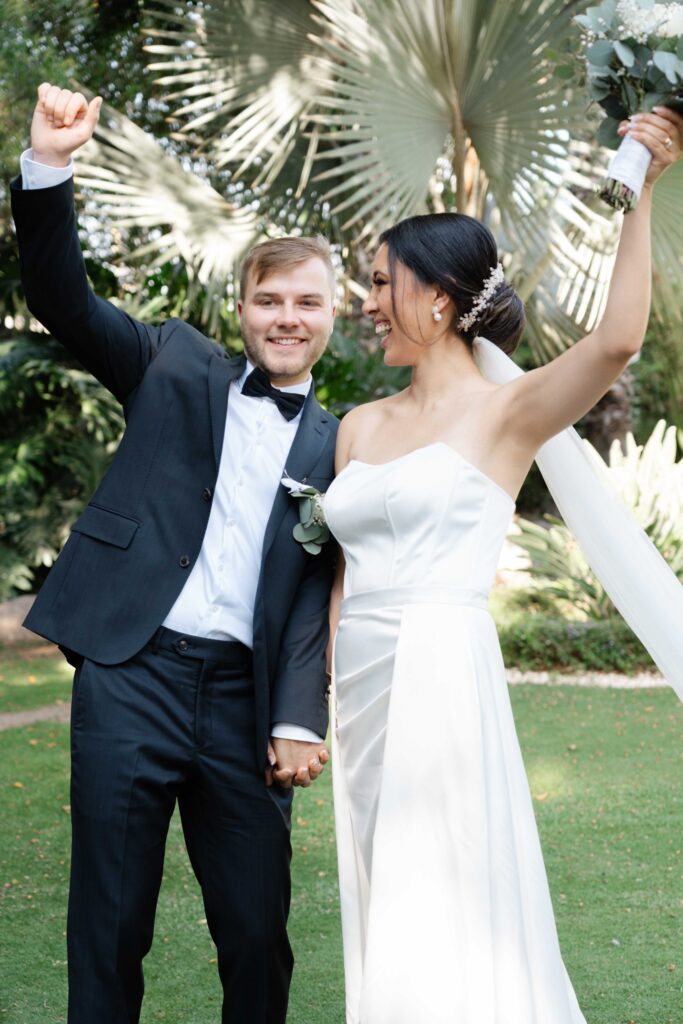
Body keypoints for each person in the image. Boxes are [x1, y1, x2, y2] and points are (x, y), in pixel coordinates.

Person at [324, 108, 683, 1023]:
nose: (366, 302)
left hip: (441, 669)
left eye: (381, 282)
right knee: (377, 884)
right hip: (356, 688)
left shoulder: (508, 414)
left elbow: (615, 343)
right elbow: (340, 574)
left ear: (439, 299)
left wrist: (638, 194)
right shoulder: (358, 427)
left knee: (443, 888)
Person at [11, 83, 339, 1024]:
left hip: (246, 698)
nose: (285, 317)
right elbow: (63, 300)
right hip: (133, 671)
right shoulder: (172, 364)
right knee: (109, 921)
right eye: (268, 299)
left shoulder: (344, 443)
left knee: (256, 929)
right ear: (241, 308)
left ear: (332, 315)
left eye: (305, 301)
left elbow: (314, 593)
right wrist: (50, 165)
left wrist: (298, 715)